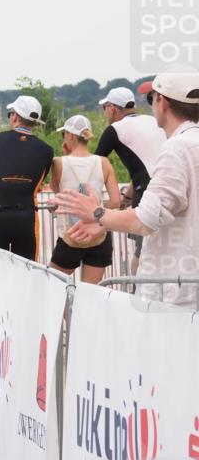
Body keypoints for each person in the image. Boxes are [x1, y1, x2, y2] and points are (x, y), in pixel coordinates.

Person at [55, 72, 199, 308]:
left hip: (174, 297)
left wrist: (98, 213)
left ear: (162, 102)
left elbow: (146, 219)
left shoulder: (176, 148)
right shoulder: (183, 142)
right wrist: (105, 221)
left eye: (151, 98)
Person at [94, 86, 167, 274]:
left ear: (112, 109)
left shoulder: (114, 129)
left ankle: (136, 289)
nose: (105, 113)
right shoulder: (153, 121)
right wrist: (126, 196)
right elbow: (144, 168)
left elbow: (94, 165)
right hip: (170, 188)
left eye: (105, 108)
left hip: (147, 195)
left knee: (142, 253)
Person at [0, 95, 54, 261]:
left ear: (15, 116)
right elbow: (38, 185)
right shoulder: (47, 150)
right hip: (27, 216)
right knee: (27, 269)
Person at [47, 115, 121, 284]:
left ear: (70, 136)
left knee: (54, 287)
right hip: (99, 236)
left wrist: (66, 155)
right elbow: (116, 201)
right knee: (89, 293)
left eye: (64, 134)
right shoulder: (103, 162)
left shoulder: (58, 163)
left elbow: (58, 193)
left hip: (71, 236)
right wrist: (97, 215)